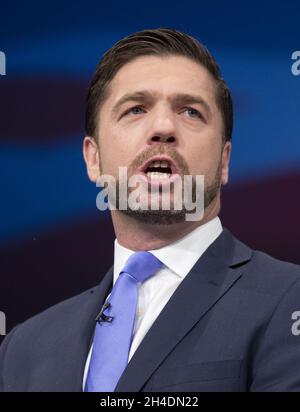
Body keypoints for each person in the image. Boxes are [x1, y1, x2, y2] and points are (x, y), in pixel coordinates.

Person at [1, 28, 300, 392]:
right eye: (136, 109)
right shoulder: (23, 348)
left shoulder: (289, 301)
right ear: (93, 159)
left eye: (190, 111)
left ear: (224, 162)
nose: (163, 128)